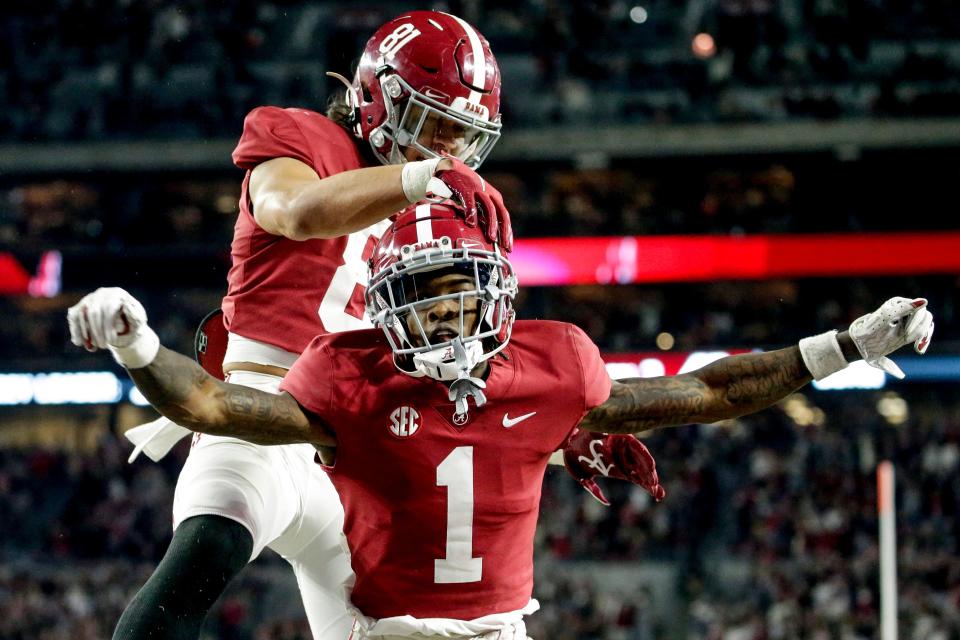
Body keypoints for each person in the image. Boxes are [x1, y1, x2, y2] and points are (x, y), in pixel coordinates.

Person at [69, 202, 934, 639]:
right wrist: (139, 346)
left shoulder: (553, 370)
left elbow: (707, 394)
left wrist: (843, 345)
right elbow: (217, 405)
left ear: (497, 296)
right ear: (384, 309)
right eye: (422, 301)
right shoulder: (349, 380)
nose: (446, 320)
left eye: (458, 297)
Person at [109, 10, 657, 639]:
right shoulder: (305, 139)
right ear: (379, 98)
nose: (448, 152)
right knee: (196, 568)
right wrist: (415, 179)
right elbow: (292, 211)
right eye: (433, 127)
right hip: (268, 406)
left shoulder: (444, 208)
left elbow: (461, 350)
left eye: (462, 137)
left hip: (373, 433)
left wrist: (554, 437)